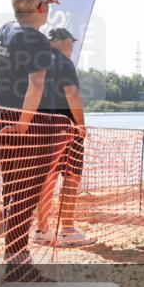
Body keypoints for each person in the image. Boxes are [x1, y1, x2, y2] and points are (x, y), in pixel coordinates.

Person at [0, 0, 69, 280]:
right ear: (39, 9)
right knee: (26, 195)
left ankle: (15, 262)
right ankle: (17, 267)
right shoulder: (35, 38)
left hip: (4, 118)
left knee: (12, 193)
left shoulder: (3, 31)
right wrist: (25, 124)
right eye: (46, 4)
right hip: (29, 125)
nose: (49, 9)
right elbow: (35, 85)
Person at [34, 28, 95, 247]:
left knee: (47, 178)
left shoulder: (38, 59)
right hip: (66, 127)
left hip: (41, 126)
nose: (73, 46)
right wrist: (81, 125)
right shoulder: (63, 62)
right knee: (71, 176)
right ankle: (67, 228)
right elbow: (72, 94)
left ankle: (42, 230)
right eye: (71, 41)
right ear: (60, 41)